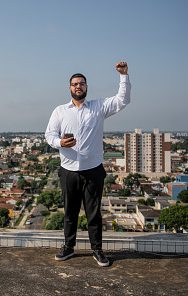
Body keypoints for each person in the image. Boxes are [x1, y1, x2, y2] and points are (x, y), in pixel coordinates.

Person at [45, 62, 131, 266]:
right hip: (68, 171)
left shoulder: (98, 107)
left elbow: (123, 100)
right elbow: (49, 135)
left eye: (82, 83)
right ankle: (68, 246)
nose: (78, 86)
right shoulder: (60, 111)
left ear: (86, 87)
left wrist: (123, 76)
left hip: (93, 171)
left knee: (93, 213)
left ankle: (97, 249)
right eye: (75, 84)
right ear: (69, 88)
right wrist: (60, 143)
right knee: (69, 212)